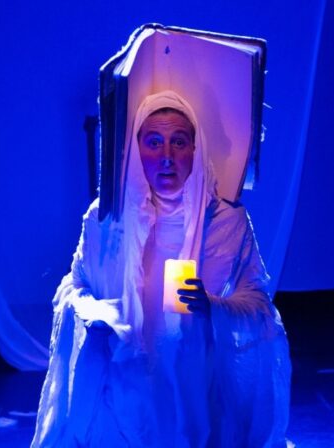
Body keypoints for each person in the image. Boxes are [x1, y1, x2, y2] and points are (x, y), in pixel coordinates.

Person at [31, 91, 291, 447]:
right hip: (122, 382)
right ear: (136, 150)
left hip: (197, 389)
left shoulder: (225, 221)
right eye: (153, 142)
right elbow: (74, 286)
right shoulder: (107, 218)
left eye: (178, 142)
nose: (166, 157)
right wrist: (94, 311)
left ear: (195, 149)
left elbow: (259, 304)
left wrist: (214, 307)